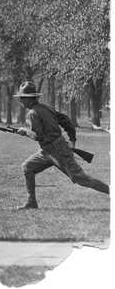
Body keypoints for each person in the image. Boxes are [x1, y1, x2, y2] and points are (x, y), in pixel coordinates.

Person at [13, 81, 109, 209]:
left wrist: (25, 132)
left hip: (57, 151)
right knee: (27, 167)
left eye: (22, 97)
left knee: (81, 179)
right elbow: (66, 121)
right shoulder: (47, 108)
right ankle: (32, 202)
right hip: (47, 150)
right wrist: (72, 138)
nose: (20, 100)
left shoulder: (32, 113)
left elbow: (38, 136)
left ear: (29, 99)